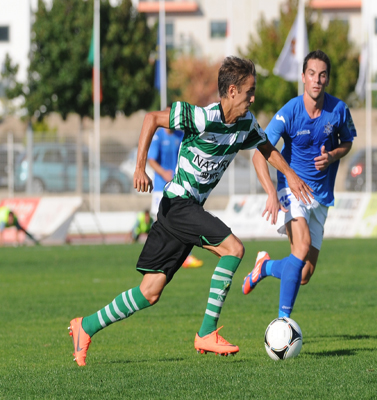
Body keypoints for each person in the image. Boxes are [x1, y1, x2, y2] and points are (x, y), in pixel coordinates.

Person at [68, 56, 312, 366]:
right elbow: (151, 119)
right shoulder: (201, 117)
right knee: (234, 249)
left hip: (182, 210)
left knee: (149, 292)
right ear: (233, 90)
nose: (253, 98)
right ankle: (206, 332)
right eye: (250, 91)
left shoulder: (246, 124)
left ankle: (85, 327)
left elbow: (266, 148)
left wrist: (289, 174)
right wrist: (140, 167)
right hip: (177, 204)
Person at [242, 50, 357, 319]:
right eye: (312, 74)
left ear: (327, 79)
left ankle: (265, 267)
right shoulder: (290, 112)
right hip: (291, 190)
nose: (317, 80)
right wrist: (272, 191)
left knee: (303, 274)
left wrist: (332, 156)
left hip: (321, 197)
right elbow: (259, 153)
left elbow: (348, 142)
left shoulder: (338, 110)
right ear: (304, 77)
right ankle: (284, 323)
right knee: (302, 246)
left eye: (322, 75)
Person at [147, 111, 203, 268]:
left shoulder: (180, 135)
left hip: (178, 186)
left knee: (183, 217)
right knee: (159, 220)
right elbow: (151, 160)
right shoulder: (158, 136)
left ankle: (185, 255)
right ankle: (156, 254)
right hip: (160, 186)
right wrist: (163, 172)